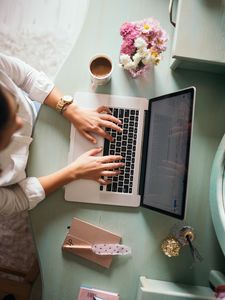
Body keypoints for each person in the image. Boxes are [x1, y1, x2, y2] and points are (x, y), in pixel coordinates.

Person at [0, 52, 124, 216]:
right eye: (11, 124)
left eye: (15, 108)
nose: (20, 122)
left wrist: (69, 108)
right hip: (21, 180)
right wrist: (75, 172)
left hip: (40, 115)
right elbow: (18, 199)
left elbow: (26, 77)